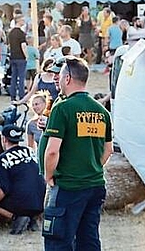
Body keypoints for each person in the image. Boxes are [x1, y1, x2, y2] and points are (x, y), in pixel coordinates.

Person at [44, 56, 113, 251]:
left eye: (60, 76)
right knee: (88, 239)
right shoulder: (102, 111)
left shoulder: (63, 108)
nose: (57, 80)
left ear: (67, 79)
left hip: (68, 186)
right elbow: (108, 150)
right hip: (95, 185)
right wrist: (91, 166)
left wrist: (49, 175)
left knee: (59, 240)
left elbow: (52, 151)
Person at [0, 125, 45, 234]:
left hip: (21, 204)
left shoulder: (2, 159)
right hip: (41, 201)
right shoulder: (31, 151)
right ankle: (32, 219)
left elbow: (2, 190)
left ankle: (15, 217)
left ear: (4, 139)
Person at [7, 16, 28, 102]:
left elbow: (8, 45)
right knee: (21, 77)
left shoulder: (10, 33)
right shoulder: (21, 33)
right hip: (20, 57)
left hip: (13, 57)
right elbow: (23, 45)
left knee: (14, 77)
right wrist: (26, 56)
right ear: (19, 21)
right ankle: (21, 95)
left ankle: (12, 96)